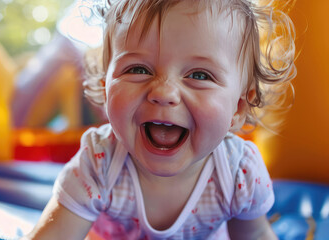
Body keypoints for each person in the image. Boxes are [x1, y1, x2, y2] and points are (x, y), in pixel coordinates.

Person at [26, 0, 296, 239]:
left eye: (199, 75)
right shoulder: (99, 164)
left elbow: (256, 234)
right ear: (106, 89)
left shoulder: (238, 173)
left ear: (237, 108)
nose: (164, 92)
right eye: (138, 69)